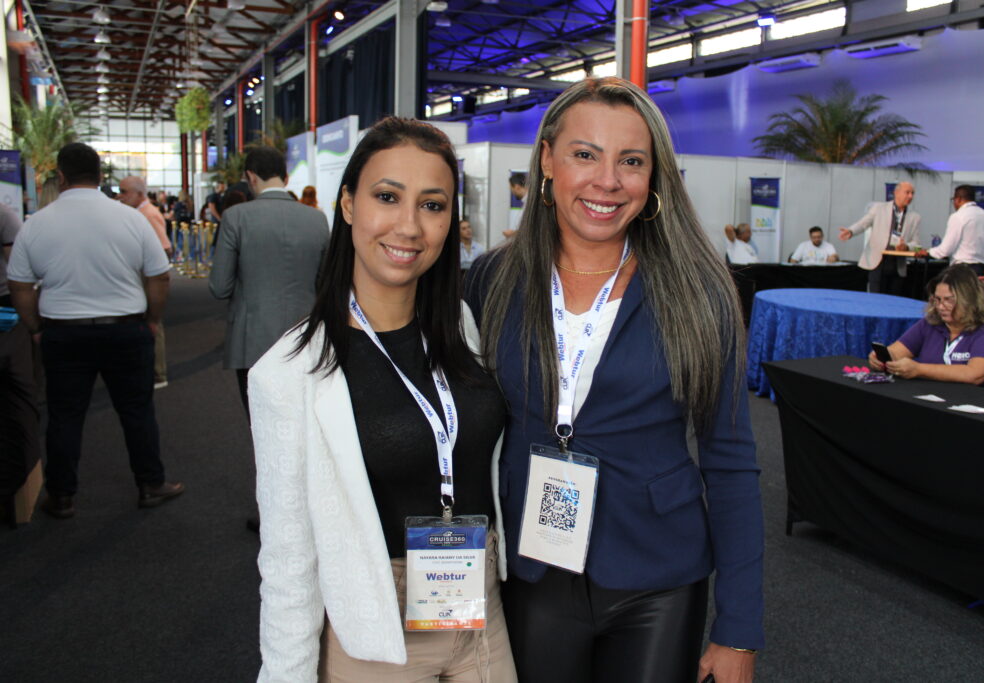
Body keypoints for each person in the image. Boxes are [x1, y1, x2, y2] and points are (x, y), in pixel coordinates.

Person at [465, 77, 763, 683]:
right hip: (532, 563)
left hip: (658, 574)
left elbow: (730, 462)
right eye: (585, 155)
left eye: (631, 161)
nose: (608, 181)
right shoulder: (492, 279)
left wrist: (739, 628)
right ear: (547, 160)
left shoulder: (700, 291)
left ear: (654, 177)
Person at [248, 117, 516, 681]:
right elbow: (288, 564)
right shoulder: (289, 373)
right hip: (375, 632)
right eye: (387, 197)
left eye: (433, 205)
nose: (409, 226)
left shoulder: (460, 326)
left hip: (480, 612)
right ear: (347, 204)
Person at [6, 142, 182, 518]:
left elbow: (19, 285)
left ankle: (62, 495)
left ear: (61, 176)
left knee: (65, 415)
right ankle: (150, 484)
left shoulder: (37, 222)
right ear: (101, 176)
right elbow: (159, 276)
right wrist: (151, 320)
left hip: (63, 333)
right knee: (137, 411)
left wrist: (36, 328)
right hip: (126, 330)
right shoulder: (130, 218)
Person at [209, 146, 329, 418]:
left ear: (251, 176)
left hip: (253, 342)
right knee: (304, 425)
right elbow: (326, 283)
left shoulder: (235, 217)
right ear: (285, 178)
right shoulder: (317, 219)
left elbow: (220, 287)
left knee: (261, 429)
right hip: (306, 338)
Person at [869, 264, 984, 391]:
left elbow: (974, 374)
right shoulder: (931, 324)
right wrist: (881, 357)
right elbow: (896, 352)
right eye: (937, 300)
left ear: (969, 300)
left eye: (949, 300)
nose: (941, 307)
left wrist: (919, 369)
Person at [0, 203, 40, 526]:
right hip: (6, 318)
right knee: (17, 400)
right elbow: (18, 272)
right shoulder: (3, 215)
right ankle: (14, 494)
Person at [118, 176, 173, 389]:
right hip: (147, 274)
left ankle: (158, 373)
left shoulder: (147, 214)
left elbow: (163, 246)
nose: (120, 196)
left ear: (139, 194)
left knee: (154, 322)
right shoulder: (139, 214)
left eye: (124, 192)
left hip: (150, 275)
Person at [838, 182, 921, 295]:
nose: (910, 196)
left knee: (893, 302)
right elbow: (863, 223)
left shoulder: (915, 217)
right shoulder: (879, 208)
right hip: (878, 262)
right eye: (907, 192)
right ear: (896, 193)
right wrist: (851, 231)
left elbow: (916, 245)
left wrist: (906, 246)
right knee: (875, 298)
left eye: (912, 193)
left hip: (898, 266)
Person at [919, 185, 984, 275]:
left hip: (963, 270)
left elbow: (946, 249)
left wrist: (928, 252)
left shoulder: (958, 216)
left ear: (958, 199)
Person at [503, 172, 528, 238]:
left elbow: (530, 228)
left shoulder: (530, 204)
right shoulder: (526, 203)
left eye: (512, 189)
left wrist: (513, 234)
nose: (512, 193)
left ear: (517, 187)